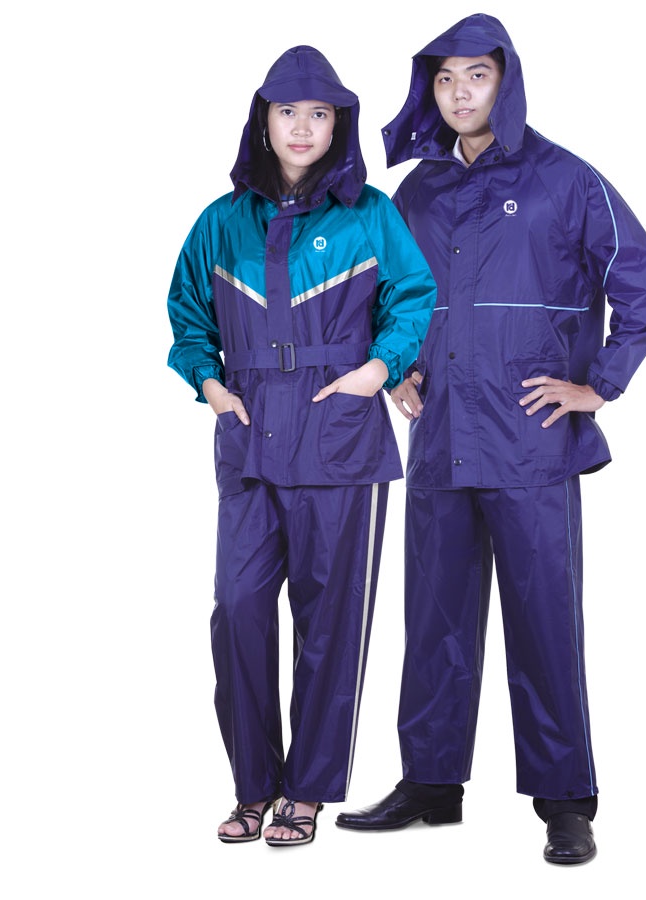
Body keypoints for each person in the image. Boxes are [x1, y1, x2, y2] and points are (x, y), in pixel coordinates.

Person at [334, 13, 646, 865]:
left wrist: (599, 384)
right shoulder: (415, 194)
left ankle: (565, 803)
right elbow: (383, 299)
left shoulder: (566, 179)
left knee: (544, 623)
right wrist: (398, 367)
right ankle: (430, 783)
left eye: (476, 76)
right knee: (434, 620)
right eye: (445, 79)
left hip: (530, 441)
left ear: (505, 81)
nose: (459, 93)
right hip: (440, 437)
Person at [166, 45, 436, 847]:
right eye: (288, 112)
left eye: (319, 114)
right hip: (250, 434)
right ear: (264, 121)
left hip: (339, 436)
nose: (303, 127)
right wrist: (209, 384)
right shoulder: (222, 222)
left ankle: (307, 791)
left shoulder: (369, 213)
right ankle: (254, 784)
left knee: (330, 622)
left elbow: (413, 295)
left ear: (337, 125)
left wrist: (380, 369)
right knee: (239, 608)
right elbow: (187, 313)